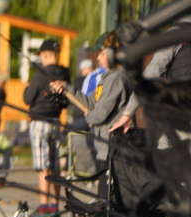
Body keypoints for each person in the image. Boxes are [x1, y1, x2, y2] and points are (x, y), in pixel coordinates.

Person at [110, 0, 191, 134]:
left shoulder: (175, 34)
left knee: (168, 153)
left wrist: (128, 112)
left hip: (182, 115)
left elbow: (152, 73)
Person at [51, 32, 131, 181]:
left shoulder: (116, 78)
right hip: (104, 148)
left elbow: (99, 115)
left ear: (115, 54)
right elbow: (89, 102)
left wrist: (89, 115)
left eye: (102, 53)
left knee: (108, 197)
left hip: (113, 148)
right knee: (103, 195)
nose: (98, 57)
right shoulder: (107, 78)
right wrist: (66, 87)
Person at [23, 39, 70, 216]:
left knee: (43, 165)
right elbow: (66, 102)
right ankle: (55, 206)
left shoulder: (40, 74)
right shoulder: (64, 73)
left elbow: (28, 99)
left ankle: (43, 205)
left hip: (39, 123)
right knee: (56, 164)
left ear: (44, 55)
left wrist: (26, 88)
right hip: (56, 122)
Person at [71, 59, 95, 132]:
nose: (93, 70)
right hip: (81, 115)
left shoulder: (76, 81)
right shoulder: (84, 81)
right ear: (84, 68)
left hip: (80, 115)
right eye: (91, 68)